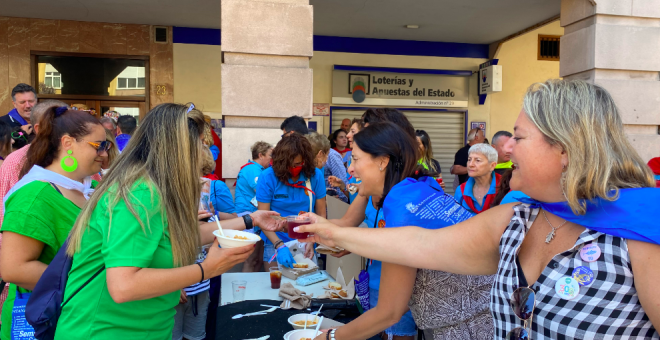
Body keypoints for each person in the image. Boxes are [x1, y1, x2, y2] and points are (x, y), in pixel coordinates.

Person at [298, 79, 660, 340]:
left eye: (518, 138)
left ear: (566, 148)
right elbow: (419, 244)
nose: (506, 150)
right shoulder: (518, 219)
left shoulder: (643, 234)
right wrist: (329, 230)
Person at [54, 103, 284, 340]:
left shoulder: (153, 189)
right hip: (105, 330)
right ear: (178, 150)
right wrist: (207, 269)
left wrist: (251, 219)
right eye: (199, 146)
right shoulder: (140, 193)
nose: (202, 153)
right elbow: (124, 285)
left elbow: (183, 235)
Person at [0, 106, 108, 340]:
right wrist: (93, 282)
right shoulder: (34, 195)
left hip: (80, 316)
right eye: (98, 145)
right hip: (44, 320)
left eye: (106, 146)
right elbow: (13, 268)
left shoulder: (91, 190)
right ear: (68, 143)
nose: (105, 154)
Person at [257, 133, 326, 269]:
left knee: (306, 286)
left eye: (299, 164)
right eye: (291, 165)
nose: (295, 168)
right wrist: (279, 245)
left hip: (306, 240)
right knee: (276, 286)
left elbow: (322, 214)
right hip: (275, 241)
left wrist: (312, 240)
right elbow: (262, 218)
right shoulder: (267, 177)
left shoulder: (315, 175)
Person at [0, 100, 67, 225]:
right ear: (38, 128)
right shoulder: (16, 161)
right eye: (58, 123)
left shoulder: (81, 155)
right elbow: (3, 214)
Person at [454, 144, 500, 214]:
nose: (470, 164)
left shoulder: (504, 187)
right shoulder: (461, 190)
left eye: (477, 160)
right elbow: (455, 218)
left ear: (492, 165)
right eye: (469, 160)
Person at [235, 141, 272, 216]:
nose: (272, 158)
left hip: (250, 212)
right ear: (260, 155)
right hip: (247, 213)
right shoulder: (253, 169)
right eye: (270, 155)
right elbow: (262, 191)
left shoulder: (254, 168)